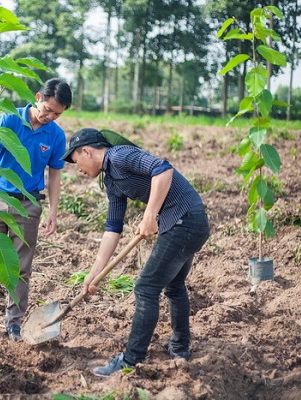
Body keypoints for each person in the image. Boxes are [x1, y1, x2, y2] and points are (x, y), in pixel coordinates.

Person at [61, 128, 210, 377]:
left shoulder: (119, 155)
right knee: (173, 286)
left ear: (86, 151)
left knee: (145, 288)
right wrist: (94, 274)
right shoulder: (111, 179)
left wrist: (150, 215)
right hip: (185, 222)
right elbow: (113, 228)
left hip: (185, 221)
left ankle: (131, 358)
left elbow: (163, 169)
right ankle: (180, 347)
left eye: (77, 161)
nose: (78, 168)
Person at [0, 78, 73, 341]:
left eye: (57, 114)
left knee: (21, 267)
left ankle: (13, 322)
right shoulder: (10, 119)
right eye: (48, 109)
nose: (50, 116)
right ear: (37, 97)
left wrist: (52, 210)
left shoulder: (56, 136)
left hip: (28, 205)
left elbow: (55, 175)